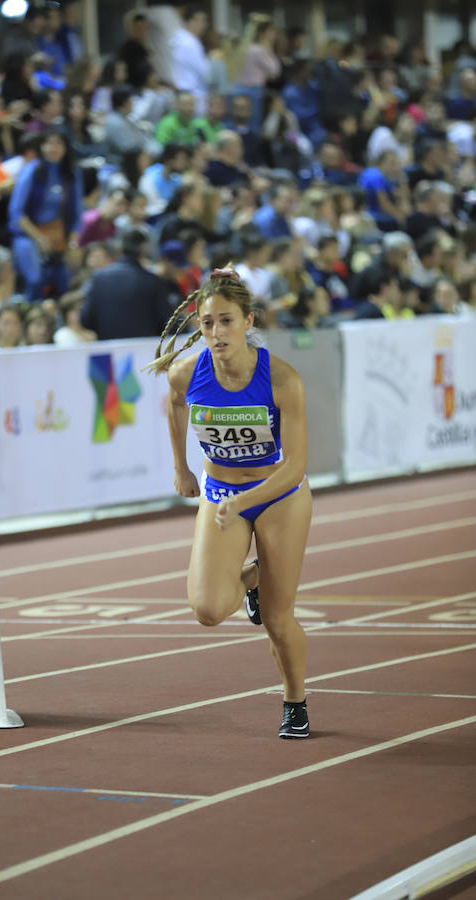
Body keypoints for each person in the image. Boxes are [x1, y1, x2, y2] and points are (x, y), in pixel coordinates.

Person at [146, 267, 312, 739]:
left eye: (226, 321)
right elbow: (176, 403)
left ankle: (294, 700)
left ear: (248, 321)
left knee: (278, 620)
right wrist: (180, 467)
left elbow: (296, 466)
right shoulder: (188, 372)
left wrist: (245, 504)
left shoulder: (281, 379)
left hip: (278, 494)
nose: (216, 333)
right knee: (209, 610)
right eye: (207, 324)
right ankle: (256, 576)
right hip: (221, 494)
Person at [8, 128, 82, 302]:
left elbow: (77, 215)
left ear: (65, 148)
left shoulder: (72, 174)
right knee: (35, 279)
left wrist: (72, 243)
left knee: (68, 281)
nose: (53, 148)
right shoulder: (31, 170)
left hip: (58, 237)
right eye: (48, 143)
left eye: (58, 143)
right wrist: (39, 238)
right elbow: (16, 212)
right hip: (28, 235)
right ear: (41, 147)